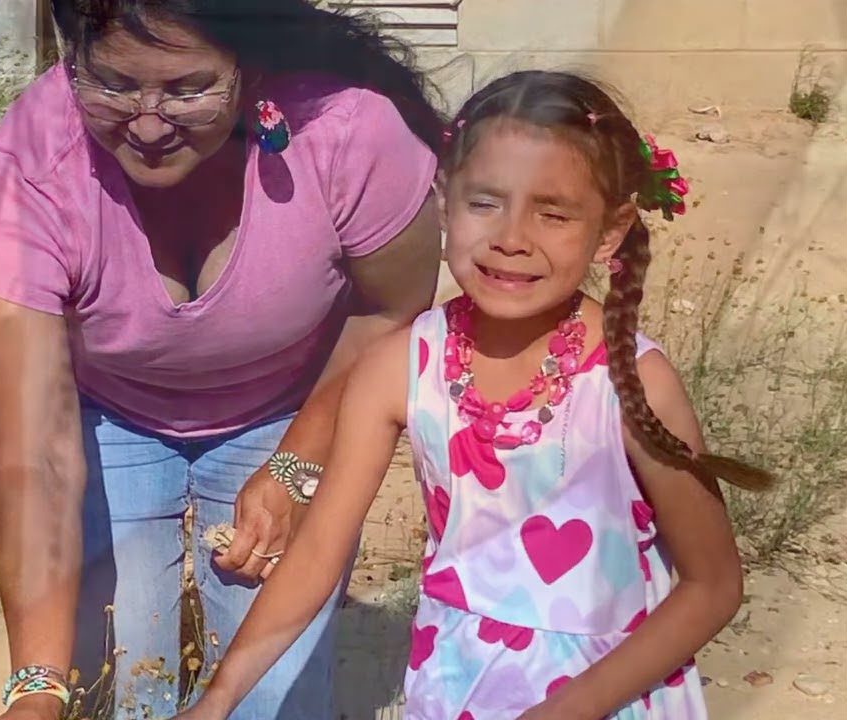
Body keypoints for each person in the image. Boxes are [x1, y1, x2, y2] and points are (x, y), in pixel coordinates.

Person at [172, 70, 776, 720]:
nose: (512, 237)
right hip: (456, 690)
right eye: (485, 202)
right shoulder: (400, 367)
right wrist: (221, 695)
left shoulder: (633, 380)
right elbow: (316, 554)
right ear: (443, 202)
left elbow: (712, 586)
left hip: (610, 701)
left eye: (553, 212)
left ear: (609, 231)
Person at [0, 0, 449, 717]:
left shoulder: (347, 134)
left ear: (250, 69)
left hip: (293, 406)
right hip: (104, 416)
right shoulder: (28, 168)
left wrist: (298, 463)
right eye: (112, 84)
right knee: (111, 678)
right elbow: (37, 455)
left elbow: (390, 312)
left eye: (187, 89)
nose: (148, 123)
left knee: (273, 696)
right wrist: (36, 685)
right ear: (69, 56)